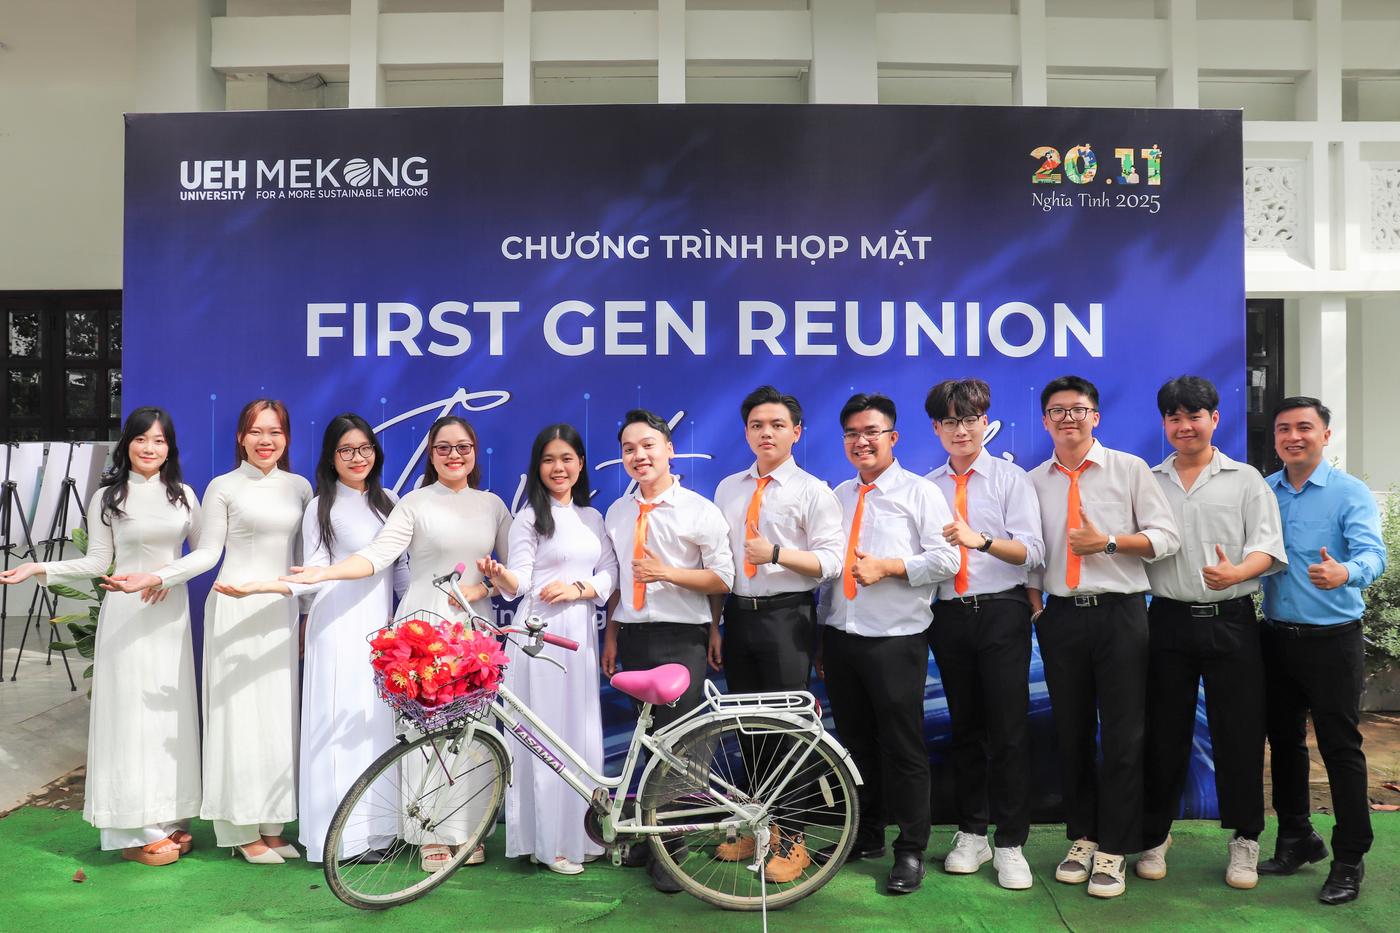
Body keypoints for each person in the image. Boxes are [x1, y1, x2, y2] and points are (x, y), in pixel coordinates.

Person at [280, 414, 511, 873]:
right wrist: (325, 573)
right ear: (431, 455)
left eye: (462, 447)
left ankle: (469, 830)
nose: (453, 455)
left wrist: (484, 588)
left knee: (474, 728)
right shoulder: (411, 503)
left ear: (474, 452)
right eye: (443, 448)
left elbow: (513, 574)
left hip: (473, 624)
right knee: (425, 731)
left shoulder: (493, 505)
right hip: (423, 623)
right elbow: (379, 556)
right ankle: (430, 833)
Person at [107, 399, 312, 864]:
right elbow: (206, 553)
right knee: (238, 719)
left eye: (275, 431)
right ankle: (238, 828)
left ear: (287, 437)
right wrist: (160, 575)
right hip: (234, 607)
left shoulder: (299, 488)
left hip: (279, 610)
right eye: (255, 431)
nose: (265, 441)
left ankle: (272, 824)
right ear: (240, 437)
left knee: (278, 718)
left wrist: (303, 615)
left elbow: (303, 559)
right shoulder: (224, 486)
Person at [0, 408, 201, 867]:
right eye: (141, 439)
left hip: (168, 614)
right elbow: (96, 561)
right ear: (127, 443)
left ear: (170, 447)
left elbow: (207, 552)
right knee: (129, 718)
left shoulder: (184, 496)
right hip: (127, 615)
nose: (150, 448)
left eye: (159, 440)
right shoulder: (109, 497)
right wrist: (39, 568)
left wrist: (164, 576)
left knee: (167, 715)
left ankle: (169, 817)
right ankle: (132, 830)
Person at [213, 413, 408, 863]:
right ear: (331, 457)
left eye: (364, 448)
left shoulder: (392, 503)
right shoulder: (321, 506)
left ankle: (377, 833)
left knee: (374, 725)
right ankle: (337, 837)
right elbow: (312, 574)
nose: (357, 458)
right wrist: (267, 587)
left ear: (375, 453)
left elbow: (399, 571)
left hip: (380, 631)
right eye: (346, 450)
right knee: (335, 727)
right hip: (335, 626)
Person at [1026, 375, 1179, 899]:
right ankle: (1084, 837)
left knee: (1122, 736)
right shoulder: (1035, 481)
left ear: (1095, 416)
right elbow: (1033, 552)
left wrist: (1108, 542)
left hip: (1121, 615)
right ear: (1045, 421)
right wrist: (1036, 604)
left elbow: (1166, 538)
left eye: (1078, 409)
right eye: (1057, 410)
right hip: (1061, 618)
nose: (1068, 418)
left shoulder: (1129, 469)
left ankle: (1115, 846)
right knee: (1069, 733)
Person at [1137, 377, 1286, 890]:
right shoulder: (1147, 481)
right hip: (1167, 620)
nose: (1185, 426)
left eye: (1194, 415)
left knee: (1239, 733)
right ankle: (1155, 835)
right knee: (1163, 733)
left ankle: (1245, 839)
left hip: (1232, 621)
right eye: (1174, 417)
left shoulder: (1246, 480)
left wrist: (1238, 573)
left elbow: (1267, 547)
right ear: (1165, 423)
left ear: (1214, 419)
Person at [817, 392, 960, 895]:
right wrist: (823, 631)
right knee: (855, 745)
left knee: (903, 747)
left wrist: (891, 567)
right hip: (842, 637)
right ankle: (866, 833)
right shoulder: (837, 496)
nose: (862, 441)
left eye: (871, 432)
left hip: (896, 641)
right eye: (852, 434)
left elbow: (948, 561)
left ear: (893, 437)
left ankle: (911, 848)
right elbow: (829, 572)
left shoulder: (920, 492)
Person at [1258, 396, 1387, 905]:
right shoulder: (1265, 491)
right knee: (1284, 743)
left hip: (1333, 640)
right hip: (1275, 637)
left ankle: (1349, 858)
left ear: (1325, 435)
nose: (1293, 437)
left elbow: (1373, 554)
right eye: (1283, 429)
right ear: (1274, 438)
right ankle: (1296, 837)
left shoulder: (1349, 492)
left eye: (1304, 428)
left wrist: (1345, 572)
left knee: (1340, 748)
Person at [711, 385, 843, 881]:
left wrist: (777, 555)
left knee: (788, 731)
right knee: (748, 728)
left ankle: (795, 839)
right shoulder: (728, 489)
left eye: (777, 425)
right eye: (756, 425)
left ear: (796, 432)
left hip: (788, 618)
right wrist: (716, 624)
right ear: (746, 432)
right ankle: (759, 826)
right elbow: (721, 564)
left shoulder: (813, 491)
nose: (766, 433)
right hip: (739, 616)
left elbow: (831, 562)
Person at [601, 408, 734, 892]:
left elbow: (723, 578)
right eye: (629, 449)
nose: (639, 455)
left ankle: (673, 850)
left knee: (682, 746)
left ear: (669, 450)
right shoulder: (618, 512)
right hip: (635, 637)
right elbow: (619, 579)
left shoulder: (699, 510)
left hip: (683, 637)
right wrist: (612, 634)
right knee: (647, 739)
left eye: (648, 445)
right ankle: (649, 834)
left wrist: (669, 574)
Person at [478, 424, 617, 875]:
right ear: (537, 467)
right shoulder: (528, 518)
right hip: (539, 637)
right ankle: (548, 843)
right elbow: (519, 581)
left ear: (580, 463)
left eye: (566, 458)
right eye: (549, 460)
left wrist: (579, 588)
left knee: (579, 733)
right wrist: (499, 575)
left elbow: (610, 573)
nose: (558, 468)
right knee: (545, 737)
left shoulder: (592, 518)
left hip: (580, 637)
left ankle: (584, 836)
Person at [923, 378, 1044, 891]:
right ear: (936, 428)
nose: (961, 430)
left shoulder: (1010, 479)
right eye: (950, 421)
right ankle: (972, 832)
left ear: (985, 422)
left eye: (970, 419)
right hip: (949, 615)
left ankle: (1011, 841)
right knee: (966, 728)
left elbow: (1033, 551)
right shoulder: (926, 487)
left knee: (1009, 730)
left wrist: (982, 541)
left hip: (1001, 610)